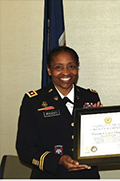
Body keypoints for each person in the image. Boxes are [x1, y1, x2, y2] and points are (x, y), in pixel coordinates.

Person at [16, 46, 102, 179]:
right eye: (58, 67)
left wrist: (102, 124)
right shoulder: (34, 101)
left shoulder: (90, 97)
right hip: (49, 175)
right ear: (49, 70)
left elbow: (99, 140)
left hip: (86, 174)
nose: (66, 73)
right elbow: (25, 149)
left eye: (71, 66)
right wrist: (58, 160)